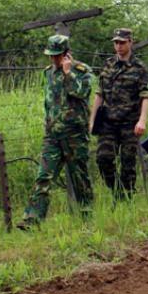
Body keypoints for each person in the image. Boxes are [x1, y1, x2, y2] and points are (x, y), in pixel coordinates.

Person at [18, 34, 94, 229]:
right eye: (51, 55)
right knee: (43, 176)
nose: (53, 59)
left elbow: (81, 93)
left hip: (75, 135)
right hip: (53, 135)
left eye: (57, 55)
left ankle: (87, 217)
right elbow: (49, 102)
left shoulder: (82, 71)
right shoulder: (48, 72)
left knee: (79, 177)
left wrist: (68, 74)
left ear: (66, 54)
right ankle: (32, 220)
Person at [89, 28, 148, 200]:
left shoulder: (139, 67)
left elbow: (146, 95)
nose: (118, 46)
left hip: (129, 122)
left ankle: (128, 198)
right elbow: (100, 93)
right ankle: (118, 192)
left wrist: (142, 120)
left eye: (122, 42)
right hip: (108, 122)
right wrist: (92, 120)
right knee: (103, 158)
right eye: (116, 42)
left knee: (128, 163)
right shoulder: (108, 64)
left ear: (130, 42)